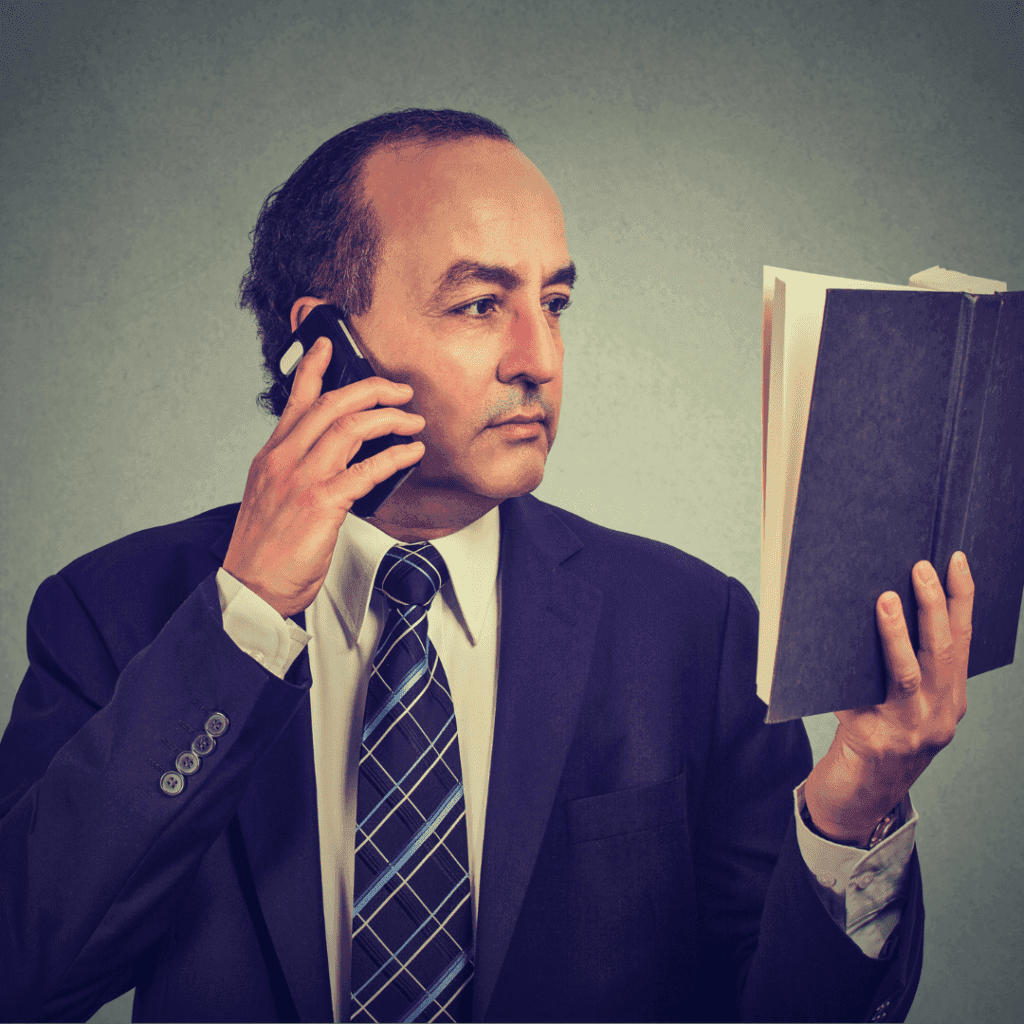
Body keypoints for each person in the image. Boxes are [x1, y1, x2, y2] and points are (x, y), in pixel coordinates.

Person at [0, 109, 970, 1024]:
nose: (538, 355)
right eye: (478, 304)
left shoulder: (690, 626)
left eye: (553, 301)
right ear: (321, 340)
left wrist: (857, 798)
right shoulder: (112, 612)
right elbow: (27, 974)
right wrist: (244, 618)